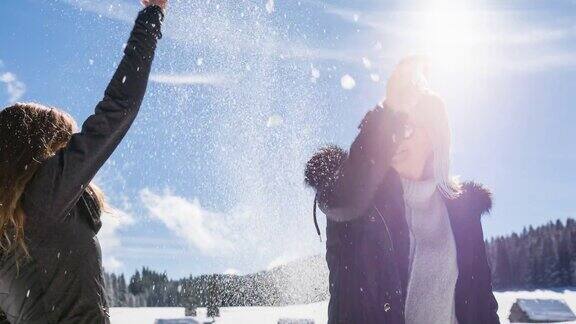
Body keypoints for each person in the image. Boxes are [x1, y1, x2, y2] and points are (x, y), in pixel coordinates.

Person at [0, 0, 167, 322]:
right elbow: (118, 107)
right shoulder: (45, 194)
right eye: (64, 142)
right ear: (40, 147)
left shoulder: (9, 221)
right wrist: (152, 16)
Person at [305, 56, 500, 324]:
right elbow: (340, 199)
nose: (396, 137)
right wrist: (388, 111)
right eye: (392, 129)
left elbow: (482, 307)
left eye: (406, 128)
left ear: (434, 136)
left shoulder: (463, 212)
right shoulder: (363, 200)